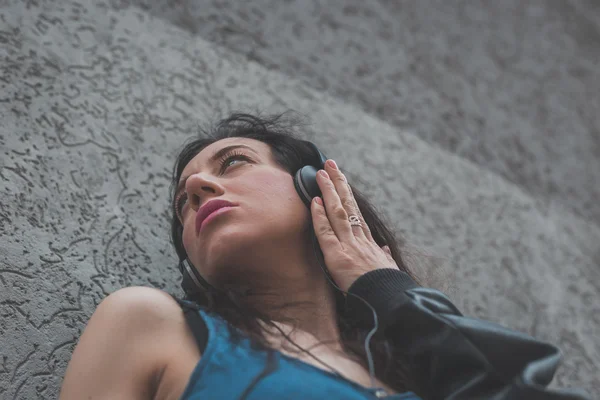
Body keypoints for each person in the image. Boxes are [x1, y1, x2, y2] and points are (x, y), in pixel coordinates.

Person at [59, 112, 591, 400]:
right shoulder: (148, 323)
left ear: (317, 189)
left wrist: (386, 286)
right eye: (183, 204)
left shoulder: (418, 377)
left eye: (234, 162)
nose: (197, 187)